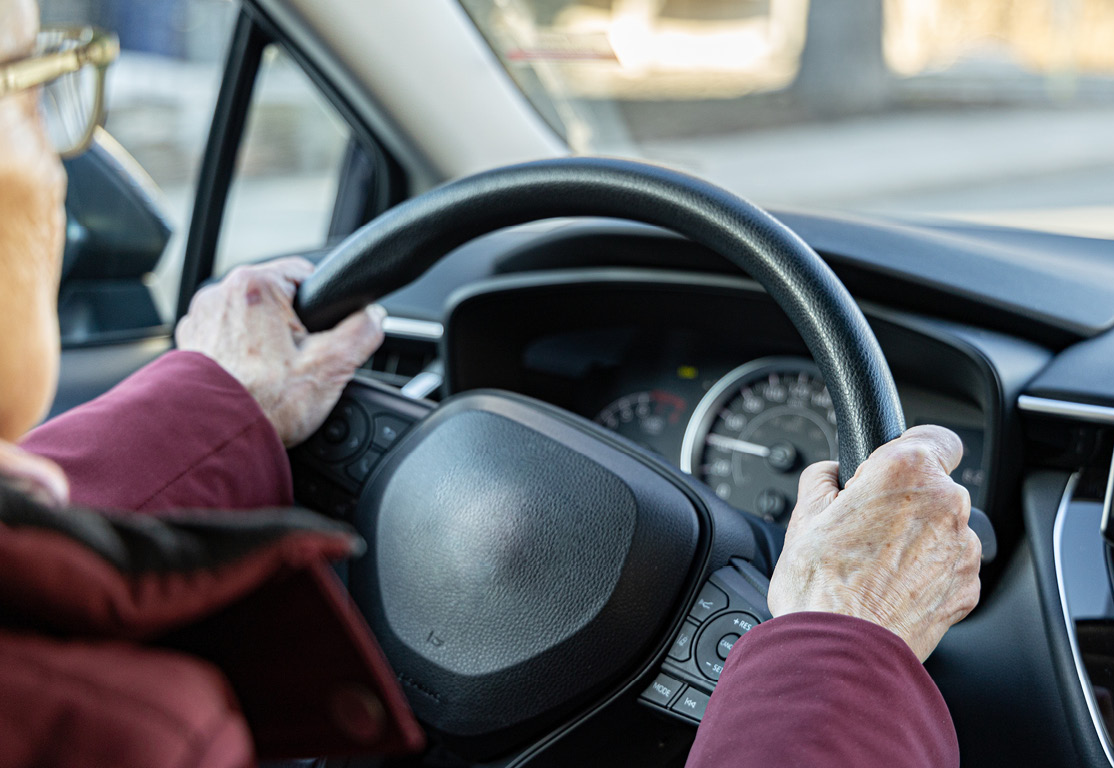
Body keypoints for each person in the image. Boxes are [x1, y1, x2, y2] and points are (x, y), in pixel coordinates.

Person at [0, 2, 982, 766]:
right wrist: (837, 642)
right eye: (30, 83)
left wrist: (213, 405)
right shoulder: (116, 727)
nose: (59, 153)